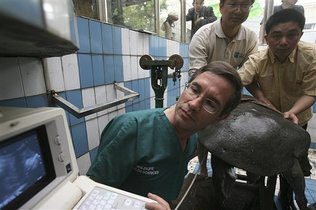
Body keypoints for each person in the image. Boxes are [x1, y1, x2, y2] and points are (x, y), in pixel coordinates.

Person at [87, 61, 243, 209]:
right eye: (194, 90)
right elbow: (89, 196)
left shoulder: (194, 138)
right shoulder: (131, 129)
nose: (194, 104)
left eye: (210, 103)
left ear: (221, 117)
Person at [238, 9, 316, 210]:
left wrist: (293, 111)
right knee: (262, 156)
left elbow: (311, 92)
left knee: (292, 163)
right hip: (268, 120)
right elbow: (240, 80)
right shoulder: (258, 59)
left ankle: (286, 196)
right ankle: (257, 193)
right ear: (267, 37)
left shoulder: (311, 56)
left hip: (297, 119)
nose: (283, 42)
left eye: (291, 35)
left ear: (300, 34)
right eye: (276, 35)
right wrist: (261, 97)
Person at [188, 0, 258, 76]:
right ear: (221, 7)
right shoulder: (202, 36)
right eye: (233, 4)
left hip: (231, 86)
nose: (238, 11)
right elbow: (198, 75)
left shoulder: (250, 38)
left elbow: (247, 73)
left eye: (245, 5)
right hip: (206, 86)